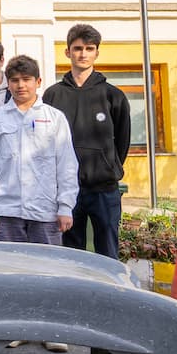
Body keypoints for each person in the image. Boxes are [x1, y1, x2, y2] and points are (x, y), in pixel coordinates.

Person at [0, 55, 78, 352]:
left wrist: (64, 206)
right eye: (15, 80)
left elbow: (66, 165)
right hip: (5, 210)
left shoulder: (54, 118)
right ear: (9, 83)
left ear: (38, 82)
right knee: (10, 272)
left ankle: (51, 329)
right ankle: (15, 326)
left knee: (50, 271)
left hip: (45, 210)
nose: (21, 85)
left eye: (26, 80)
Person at [42, 24, 131, 260]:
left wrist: (107, 166)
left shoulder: (113, 95)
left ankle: (111, 296)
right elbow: (46, 140)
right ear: (67, 52)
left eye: (89, 48)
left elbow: (122, 141)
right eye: (78, 48)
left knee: (107, 252)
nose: (83, 54)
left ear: (96, 53)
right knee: (71, 254)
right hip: (65, 190)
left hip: (104, 189)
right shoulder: (53, 95)